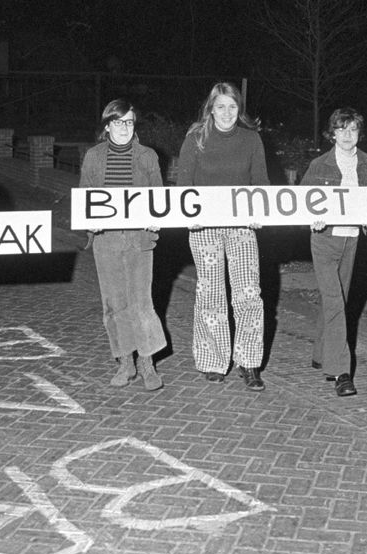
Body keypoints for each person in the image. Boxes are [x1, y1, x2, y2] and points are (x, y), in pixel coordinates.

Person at [177, 82, 270, 391]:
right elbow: (183, 185)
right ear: (211, 109)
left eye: (232, 106)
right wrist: (187, 218)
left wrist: (261, 213)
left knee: (248, 293)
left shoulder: (252, 139)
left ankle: (249, 362)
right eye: (221, 106)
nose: (227, 112)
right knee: (210, 293)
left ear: (238, 109)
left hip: (241, 227)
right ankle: (213, 360)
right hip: (204, 228)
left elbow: (261, 183)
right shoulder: (195, 139)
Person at [79, 99, 167, 390]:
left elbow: (159, 197)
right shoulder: (93, 156)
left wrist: (157, 219)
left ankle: (147, 362)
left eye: (129, 122)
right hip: (107, 241)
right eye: (118, 122)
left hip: (139, 239)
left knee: (141, 302)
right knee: (114, 304)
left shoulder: (148, 156)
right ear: (107, 126)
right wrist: (88, 221)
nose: (124, 128)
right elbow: (85, 198)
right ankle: (125, 362)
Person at [300, 108, 367, 398]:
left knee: (337, 299)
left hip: (352, 239)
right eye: (342, 129)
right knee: (335, 303)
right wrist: (312, 217)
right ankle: (340, 372)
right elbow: (302, 202)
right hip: (324, 240)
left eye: (353, 129)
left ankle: (321, 352)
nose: (348, 135)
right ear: (331, 133)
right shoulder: (319, 165)